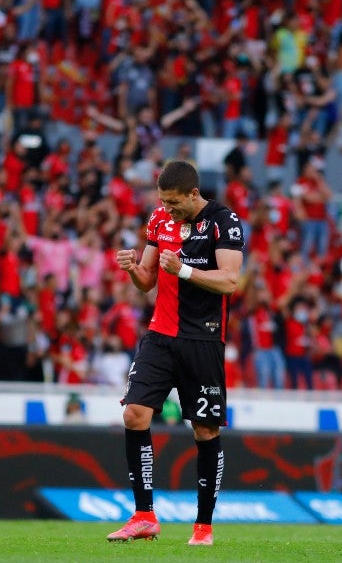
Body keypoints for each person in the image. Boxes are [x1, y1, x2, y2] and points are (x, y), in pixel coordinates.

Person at [109, 160, 244, 545]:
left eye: (173, 202)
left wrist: (184, 270)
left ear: (193, 194)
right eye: (162, 202)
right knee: (134, 413)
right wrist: (133, 268)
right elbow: (148, 281)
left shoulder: (224, 221)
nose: (167, 208)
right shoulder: (159, 220)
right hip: (160, 334)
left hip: (203, 339)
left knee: (204, 429)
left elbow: (230, 280)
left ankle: (203, 528)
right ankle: (144, 515)